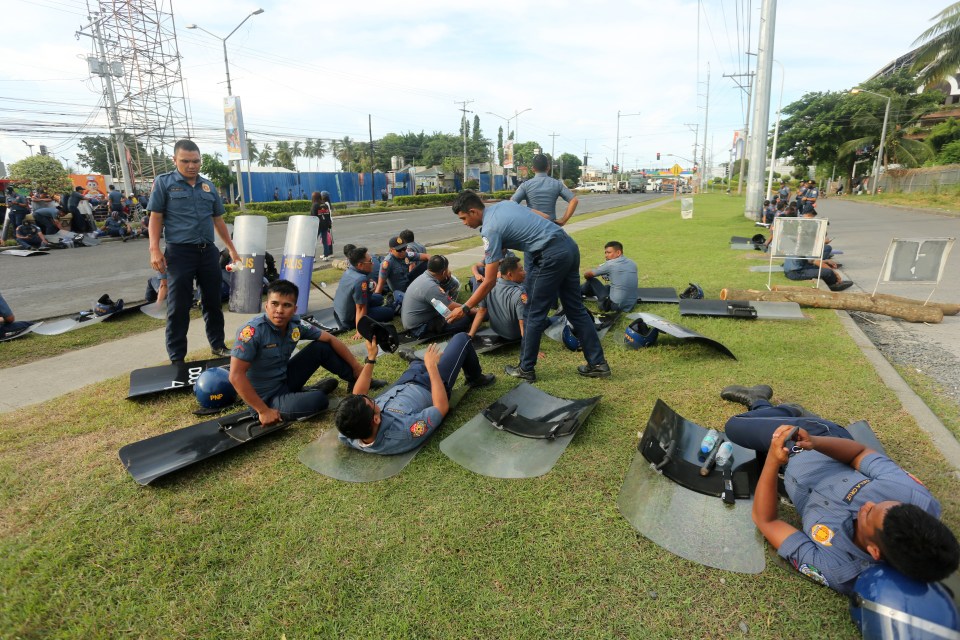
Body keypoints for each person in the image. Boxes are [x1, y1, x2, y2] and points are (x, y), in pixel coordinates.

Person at [719, 383, 960, 595]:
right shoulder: (911, 495)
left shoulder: (839, 568)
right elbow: (860, 452)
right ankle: (782, 410)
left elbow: (767, 522)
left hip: (787, 461)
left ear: (874, 551)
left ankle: (780, 410)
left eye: (868, 514)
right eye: (880, 502)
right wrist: (815, 441)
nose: (867, 504)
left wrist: (773, 460)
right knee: (736, 427)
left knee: (736, 426)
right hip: (818, 440)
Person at [449, 190, 610, 381]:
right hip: (568, 246)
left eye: (464, 218)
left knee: (532, 312)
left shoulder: (489, 229)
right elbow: (543, 216)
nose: (464, 223)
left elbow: (490, 281)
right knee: (575, 309)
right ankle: (598, 364)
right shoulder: (504, 204)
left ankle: (526, 369)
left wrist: (465, 308)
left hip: (549, 255)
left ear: (474, 211)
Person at [147, 139, 240, 364]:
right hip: (179, 253)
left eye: (196, 161)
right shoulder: (164, 183)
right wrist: (154, 249)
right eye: (185, 161)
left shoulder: (208, 186)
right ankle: (177, 357)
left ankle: (218, 346)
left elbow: (218, 220)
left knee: (213, 302)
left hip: (208, 252)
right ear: (175, 160)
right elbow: (155, 217)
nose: (191, 165)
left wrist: (232, 250)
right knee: (179, 306)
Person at [229, 280, 368, 426]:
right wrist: (263, 411)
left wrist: (356, 368)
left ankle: (356, 380)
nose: (279, 310)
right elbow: (235, 375)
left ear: (294, 309)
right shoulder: (252, 332)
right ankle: (305, 394)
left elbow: (330, 339)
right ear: (266, 306)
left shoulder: (296, 324)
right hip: (266, 398)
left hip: (284, 381)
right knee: (319, 399)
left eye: (286, 305)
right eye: (274, 304)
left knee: (321, 347)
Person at [334, 332, 495, 455]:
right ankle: (475, 378)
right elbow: (441, 408)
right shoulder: (405, 431)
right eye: (371, 401)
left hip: (402, 385)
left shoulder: (350, 430)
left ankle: (415, 361)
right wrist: (432, 367)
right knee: (462, 338)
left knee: (417, 365)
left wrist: (371, 358)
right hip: (429, 387)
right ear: (376, 419)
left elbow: (358, 395)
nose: (367, 396)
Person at [401, 255, 475, 338]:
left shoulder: (424, 277)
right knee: (465, 319)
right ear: (444, 272)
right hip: (419, 329)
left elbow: (442, 305)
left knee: (454, 313)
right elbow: (451, 306)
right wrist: (474, 310)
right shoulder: (431, 287)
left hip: (414, 324)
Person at [333, 245, 394, 339]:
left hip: (339, 313)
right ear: (360, 265)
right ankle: (392, 305)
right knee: (389, 312)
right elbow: (360, 308)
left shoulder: (349, 271)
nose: (373, 263)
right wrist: (360, 330)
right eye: (370, 261)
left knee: (379, 298)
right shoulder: (360, 280)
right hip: (350, 319)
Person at [468, 255, 527, 341]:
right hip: (514, 334)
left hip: (496, 330)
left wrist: (470, 335)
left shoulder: (489, 287)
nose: (525, 272)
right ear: (510, 275)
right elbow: (523, 322)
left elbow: (481, 311)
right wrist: (530, 349)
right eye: (521, 270)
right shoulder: (520, 294)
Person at [511, 153, 579, 226]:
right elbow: (574, 200)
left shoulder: (525, 185)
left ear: (533, 169)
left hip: (531, 227)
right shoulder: (557, 184)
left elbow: (511, 204)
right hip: (551, 227)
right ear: (548, 167)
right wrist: (563, 220)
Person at [580, 241, 639, 313]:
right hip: (630, 305)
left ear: (618, 253)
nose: (606, 255)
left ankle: (575, 293)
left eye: (608, 252)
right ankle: (584, 293)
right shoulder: (632, 263)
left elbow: (587, 274)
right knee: (608, 287)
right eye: (605, 253)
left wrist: (599, 269)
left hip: (613, 307)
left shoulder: (610, 264)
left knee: (592, 281)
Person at [311, 191, 334, 259]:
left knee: (313, 242)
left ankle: (313, 257)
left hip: (317, 226)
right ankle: (326, 256)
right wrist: (329, 224)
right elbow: (328, 215)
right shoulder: (325, 205)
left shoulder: (314, 205)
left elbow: (313, 217)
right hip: (325, 225)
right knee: (325, 241)